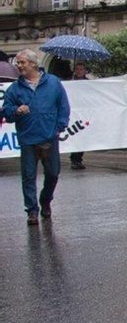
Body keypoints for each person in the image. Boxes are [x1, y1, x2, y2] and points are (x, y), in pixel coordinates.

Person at [1, 48, 70, 226]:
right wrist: (16, 110)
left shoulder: (53, 83)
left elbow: (63, 106)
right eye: (17, 63)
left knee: (53, 174)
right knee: (28, 176)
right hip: (27, 139)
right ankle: (32, 210)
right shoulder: (15, 89)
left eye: (22, 62)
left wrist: (59, 127)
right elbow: (6, 113)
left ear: (33, 63)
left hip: (49, 137)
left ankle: (45, 200)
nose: (19, 66)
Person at [69, 61, 89, 170]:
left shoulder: (88, 83)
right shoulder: (71, 82)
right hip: (74, 112)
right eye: (77, 69)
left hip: (84, 113)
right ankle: (74, 159)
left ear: (85, 71)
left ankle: (79, 159)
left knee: (82, 137)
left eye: (81, 69)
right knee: (75, 135)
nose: (79, 71)